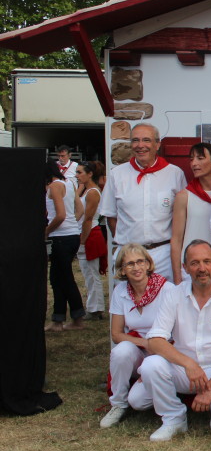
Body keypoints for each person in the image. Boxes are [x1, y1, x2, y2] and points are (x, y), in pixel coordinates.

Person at [131, 240, 211, 441]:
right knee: (140, 393)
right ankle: (174, 418)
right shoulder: (174, 295)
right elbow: (155, 340)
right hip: (183, 369)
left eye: (207, 261)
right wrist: (189, 364)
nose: (202, 268)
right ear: (185, 268)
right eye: (195, 263)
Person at [99, 123, 187, 279]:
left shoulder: (174, 174)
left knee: (165, 301)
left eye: (146, 140)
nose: (140, 146)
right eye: (135, 140)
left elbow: (183, 216)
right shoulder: (117, 175)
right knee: (130, 302)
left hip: (164, 256)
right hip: (129, 256)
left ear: (157, 144)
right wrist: (126, 245)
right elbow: (111, 216)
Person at [100, 244, 174, 428]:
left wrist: (154, 350)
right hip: (140, 348)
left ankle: (168, 400)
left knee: (138, 402)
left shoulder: (167, 290)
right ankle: (117, 404)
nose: (136, 267)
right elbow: (116, 334)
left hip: (166, 350)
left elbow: (179, 333)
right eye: (129, 264)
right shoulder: (120, 291)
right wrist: (144, 342)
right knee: (121, 351)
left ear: (148, 264)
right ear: (123, 270)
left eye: (140, 261)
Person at [170, 142, 211, 284]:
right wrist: (177, 276)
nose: (194, 163)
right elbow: (176, 239)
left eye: (200, 158)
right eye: (191, 159)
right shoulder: (184, 196)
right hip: (193, 266)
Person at [44, 159, 85, 331]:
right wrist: (72, 224)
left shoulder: (54, 186)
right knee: (57, 278)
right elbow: (79, 210)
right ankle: (58, 319)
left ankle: (77, 317)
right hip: (72, 234)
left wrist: (46, 231)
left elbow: (60, 215)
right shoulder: (69, 183)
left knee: (64, 278)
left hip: (60, 237)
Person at [76, 161, 107, 318]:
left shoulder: (93, 192)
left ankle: (96, 308)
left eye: (80, 172)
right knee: (88, 273)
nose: (77, 175)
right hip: (87, 231)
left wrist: (82, 240)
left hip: (91, 233)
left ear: (89, 174)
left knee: (91, 273)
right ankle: (93, 306)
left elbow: (88, 218)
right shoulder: (87, 190)